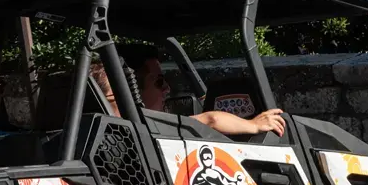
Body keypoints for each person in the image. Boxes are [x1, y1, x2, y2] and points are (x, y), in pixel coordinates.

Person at [112, 43, 288, 137]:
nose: (167, 88)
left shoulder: (108, 124)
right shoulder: (145, 126)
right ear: (130, 88)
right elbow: (211, 119)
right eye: (159, 82)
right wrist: (254, 125)